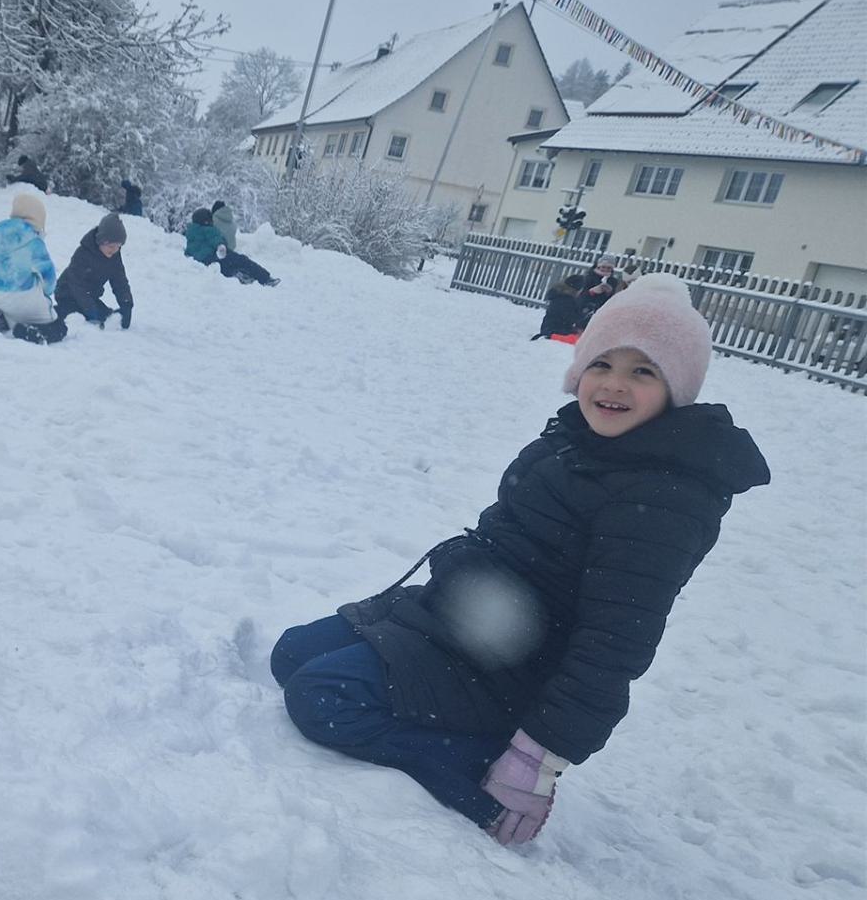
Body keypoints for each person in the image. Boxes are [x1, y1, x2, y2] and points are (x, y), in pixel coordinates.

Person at [270, 274, 770, 846]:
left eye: (643, 371)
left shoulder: (664, 497)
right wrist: (461, 564)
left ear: (676, 388)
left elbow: (613, 643)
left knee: (319, 698)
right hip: (467, 621)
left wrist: (536, 755)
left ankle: (473, 768)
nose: (614, 384)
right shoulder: (573, 439)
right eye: (602, 363)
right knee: (293, 653)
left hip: (513, 667)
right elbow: (507, 534)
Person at [0, 193, 67, 344]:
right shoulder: (33, 241)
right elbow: (48, 278)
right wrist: (46, 294)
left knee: (13, 312)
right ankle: (29, 332)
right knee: (59, 328)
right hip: (24, 296)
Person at [54, 213, 134, 329]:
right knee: (75, 317)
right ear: (101, 241)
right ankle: (55, 313)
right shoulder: (83, 253)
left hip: (91, 297)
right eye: (111, 246)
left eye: (118, 246)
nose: (114, 250)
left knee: (106, 317)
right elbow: (75, 283)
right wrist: (89, 308)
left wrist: (126, 303)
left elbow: (119, 280)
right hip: (68, 295)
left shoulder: (114, 256)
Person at [184, 206, 279, 287]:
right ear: (206, 221)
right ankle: (265, 278)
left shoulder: (191, 233)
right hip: (214, 256)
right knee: (242, 260)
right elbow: (216, 239)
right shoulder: (208, 229)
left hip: (203, 262)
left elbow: (188, 252)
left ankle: (239, 275)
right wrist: (221, 246)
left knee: (225, 267)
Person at [532, 273, 586, 340]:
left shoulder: (560, 296)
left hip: (550, 328)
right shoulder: (566, 300)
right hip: (555, 332)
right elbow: (572, 318)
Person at [578, 254, 620, 325]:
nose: (605, 270)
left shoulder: (613, 281)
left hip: (601, 311)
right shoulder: (588, 277)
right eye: (603, 267)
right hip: (585, 309)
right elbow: (580, 297)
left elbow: (612, 300)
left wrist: (609, 293)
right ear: (598, 266)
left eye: (609, 268)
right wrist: (592, 292)